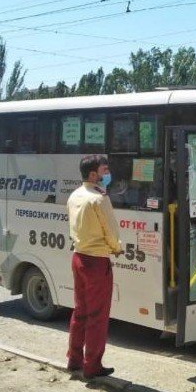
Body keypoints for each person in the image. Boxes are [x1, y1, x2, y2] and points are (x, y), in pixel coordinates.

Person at [66, 155, 123, 379]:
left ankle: (74, 359)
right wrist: (116, 248)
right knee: (98, 316)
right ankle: (92, 366)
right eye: (104, 170)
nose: (107, 173)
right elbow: (110, 231)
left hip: (78, 257)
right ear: (93, 174)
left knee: (80, 311)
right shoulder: (99, 199)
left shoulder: (75, 195)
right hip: (97, 261)